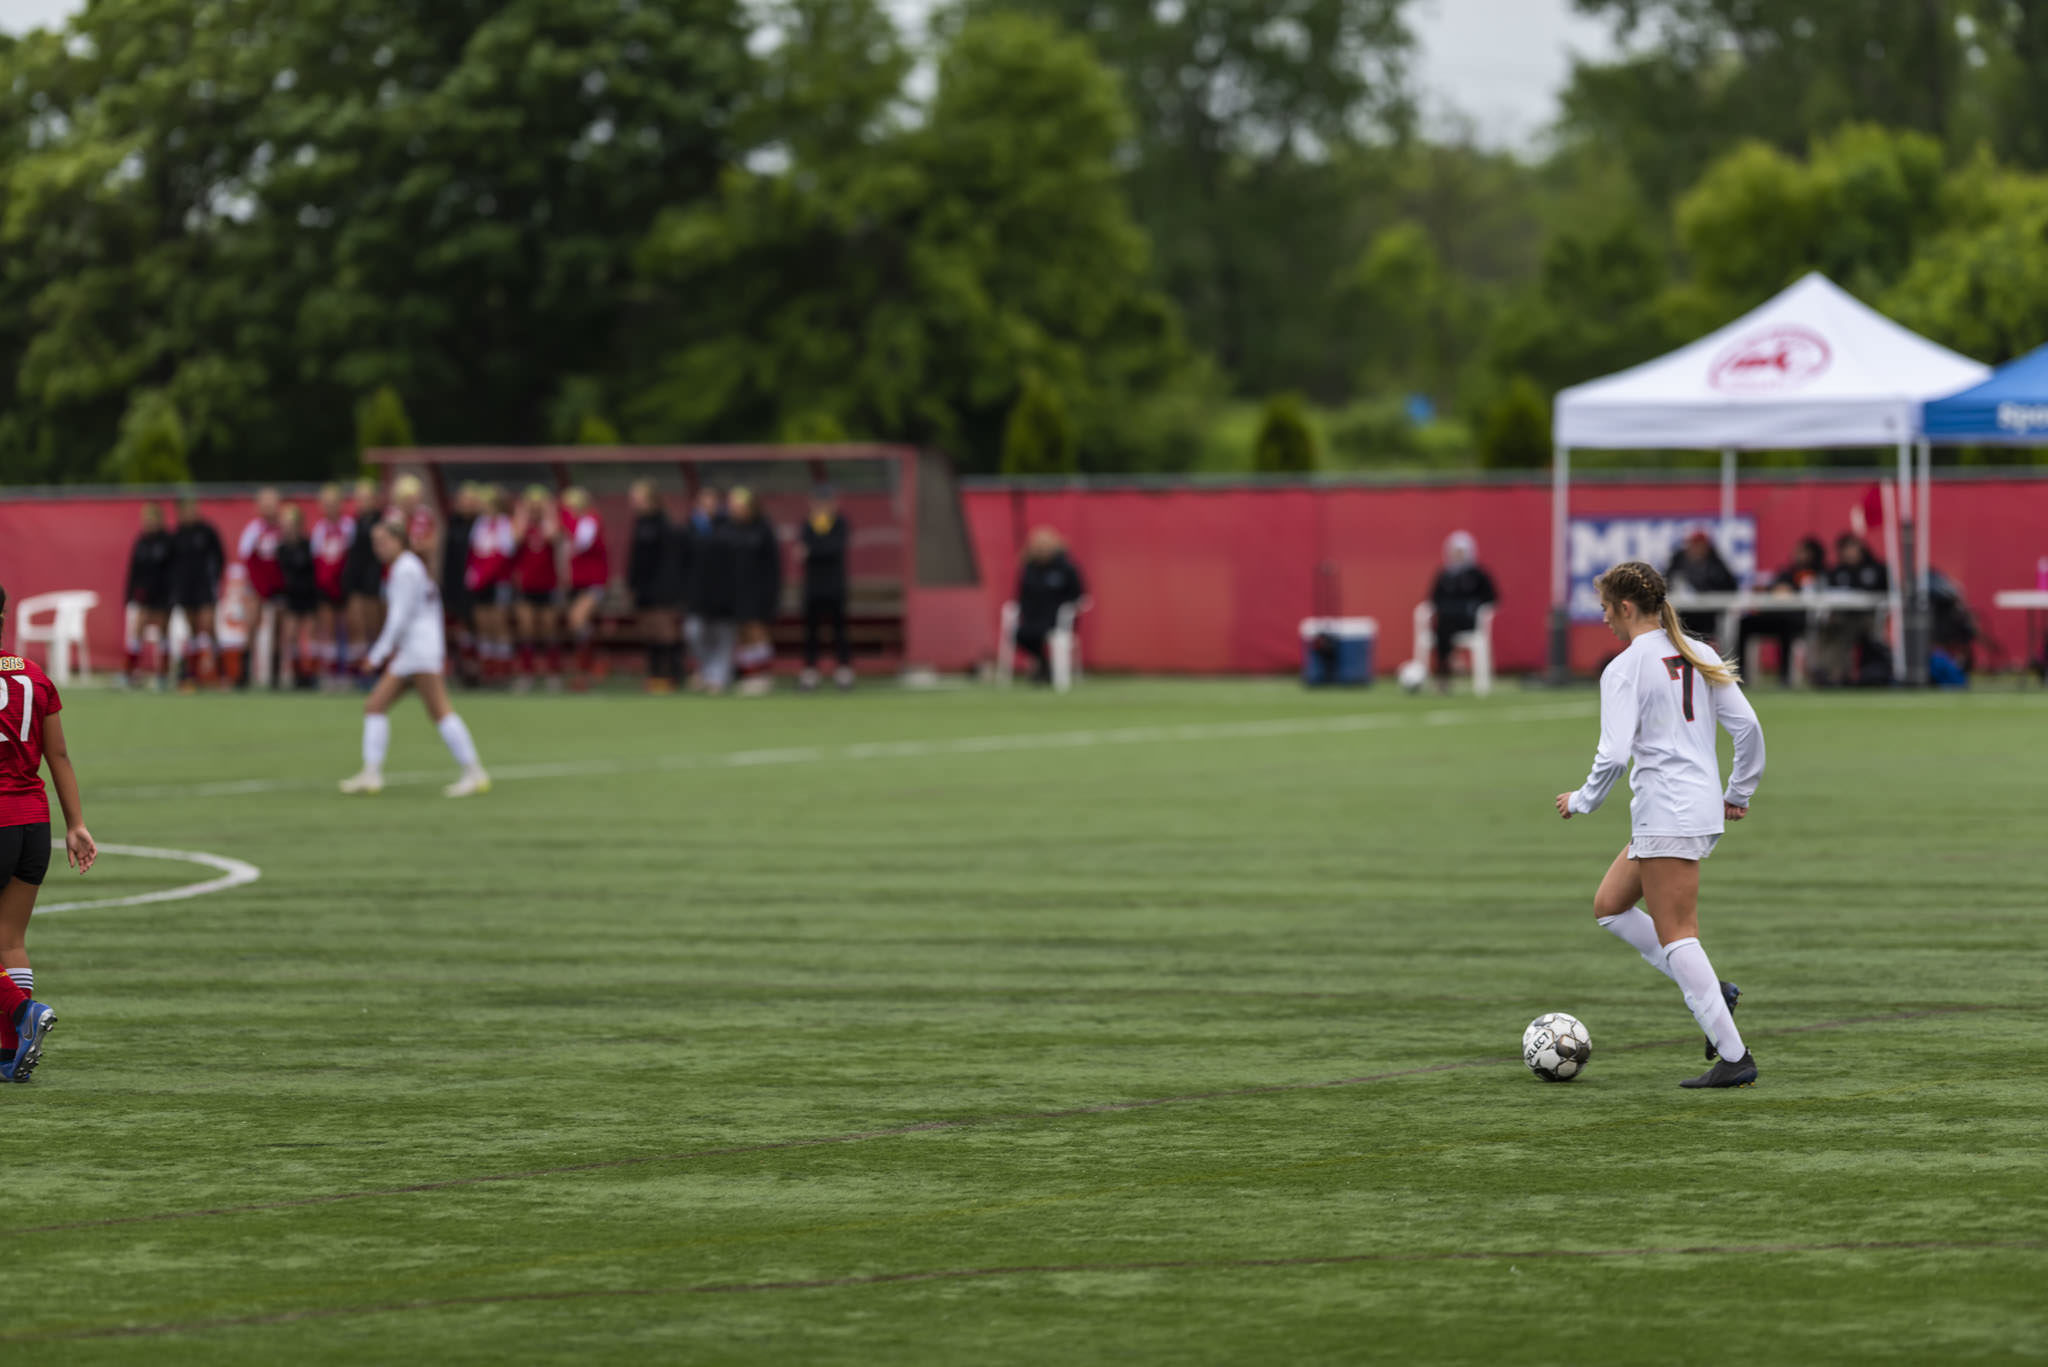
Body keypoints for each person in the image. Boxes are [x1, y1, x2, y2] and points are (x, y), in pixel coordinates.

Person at [1554, 560, 1765, 1089]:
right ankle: (1715, 990)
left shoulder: (1625, 667)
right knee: (1610, 907)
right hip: (1689, 808)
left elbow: (1614, 753)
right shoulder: (1699, 652)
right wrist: (1738, 791)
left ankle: (1735, 1058)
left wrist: (1582, 800)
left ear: (1626, 607)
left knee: (1677, 936)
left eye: (1605, 608)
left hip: (1665, 810)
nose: (1603, 617)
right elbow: (1749, 728)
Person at [0, 584, 97, 1082]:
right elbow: (57, 755)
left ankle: (23, 1014)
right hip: (34, 822)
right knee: (9, 941)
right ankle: (7, 1054)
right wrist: (75, 824)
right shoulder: (34, 676)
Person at [340, 522, 491, 798]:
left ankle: (474, 771)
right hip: (413, 651)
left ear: (400, 541)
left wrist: (377, 654)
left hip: (420, 651)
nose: (380, 547)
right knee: (375, 705)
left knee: (440, 711)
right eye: (376, 542)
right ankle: (371, 773)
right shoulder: (405, 568)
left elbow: (399, 618)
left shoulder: (406, 569)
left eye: (385, 541)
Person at [1735, 535, 1825, 686]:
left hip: (1799, 619)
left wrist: (1793, 591)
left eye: (1803, 552)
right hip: (1776, 615)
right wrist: (1776, 589)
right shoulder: (1787, 572)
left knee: (1787, 629)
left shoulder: (1820, 573)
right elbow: (1773, 588)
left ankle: (1785, 676)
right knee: (1745, 623)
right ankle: (1741, 672)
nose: (1799, 555)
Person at [626, 481, 684, 692]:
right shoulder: (640, 523)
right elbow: (636, 558)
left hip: (661, 588)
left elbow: (670, 560)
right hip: (643, 587)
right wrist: (632, 583)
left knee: (664, 630)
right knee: (649, 631)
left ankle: (672, 674)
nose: (633, 502)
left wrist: (667, 587)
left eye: (637, 498)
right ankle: (654, 673)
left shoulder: (664, 524)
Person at [1013, 528, 1087, 685]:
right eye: (1038, 546)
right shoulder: (1029, 568)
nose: (1042, 550)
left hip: (1057, 618)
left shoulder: (1066, 568)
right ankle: (1045, 664)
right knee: (1021, 634)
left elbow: (1078, 594)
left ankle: (1048, 668)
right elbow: (1021, 594)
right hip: (1033, 617)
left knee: (1048, 634)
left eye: (1045, 545)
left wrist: (1065, 608)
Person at [1426, 530, 1497, 694]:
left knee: (1444, 625)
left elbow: (1492, 597)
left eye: (1461, 552)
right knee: (1442, 625)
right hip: (1445, 621)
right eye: (1455, 552)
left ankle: (1450, 664)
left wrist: (1472, 607)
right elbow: (1434, 598)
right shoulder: (1444, 575)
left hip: (1468, 620)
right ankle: (1447, 667)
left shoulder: (1478, 574)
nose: (1458, 555)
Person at [728, 488, 783, 697]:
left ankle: (763, 675)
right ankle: (748, 675)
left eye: (739, 507)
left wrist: (772, 593)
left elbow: (773, 566)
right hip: (737, 591)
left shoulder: (763, 530)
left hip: (759, 591)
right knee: (743, 634)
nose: (736, 511)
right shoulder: (731, 529)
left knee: (756, 632)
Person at [167, 495, 226, 689]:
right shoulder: (177, 535)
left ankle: (220, 672)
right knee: (191, 629)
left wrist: (214, 577)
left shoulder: (207, 532)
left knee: (208, 626)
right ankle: (192, 675)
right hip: (185, 587)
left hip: (204, 586)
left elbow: (220, 557)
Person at [800, 486, 853, 692]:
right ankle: (810, 672)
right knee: (811, 630)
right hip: (813, 586)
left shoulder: (840, 523)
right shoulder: (808, 524)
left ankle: (844, 671)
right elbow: (804, 547)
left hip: (834, 585)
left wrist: (812, 551)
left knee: (839, 629)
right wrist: (814, 550)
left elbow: (833, 548)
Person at [510, 485, 563, 690]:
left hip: (548, 585)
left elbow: (554, 536)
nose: (535, 508)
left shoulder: (549, 526)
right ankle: (526, 673)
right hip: (525, 586)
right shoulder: (523, 527)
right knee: (526, 628)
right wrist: (521, 514)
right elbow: (514, 539)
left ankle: (552, 673)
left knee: (549, 629)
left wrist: (549, 511)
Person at [687, 488, 738, 694]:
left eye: (711, 501)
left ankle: (718, 678)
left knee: (723, 636)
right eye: (703, 501)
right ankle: (708, 672)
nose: (707, 505)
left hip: (724, 592)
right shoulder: (692, 527)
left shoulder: (729, 526)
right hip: (698, 592)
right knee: (694, 632)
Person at [1821, 532, 1889, 686]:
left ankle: (1868, 675)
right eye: (1846, 549)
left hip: (1868, 616)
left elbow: (1886, 592)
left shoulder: (1875, 569)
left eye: (1853, 548)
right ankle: (1834, 675)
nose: (1849, 553)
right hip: (1844, 616)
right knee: (1832, 630)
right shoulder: (1837, 571)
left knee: (1859, 631)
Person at [465, 486, 516, 684]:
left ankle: (503, 670)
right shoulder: (480, 524)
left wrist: (488, 573)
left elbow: (505, 552)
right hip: (480, 580)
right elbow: (475, 551)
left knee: (498, 622)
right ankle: (488, 669)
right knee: (482, 621)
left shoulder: (504, 524)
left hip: (497, 580)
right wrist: (475, 574)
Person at [560, 487, 611, 689]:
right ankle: (587, 667)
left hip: (593, 583)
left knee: (577, 619)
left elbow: (583, 542)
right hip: (577, 583)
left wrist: (565, 518)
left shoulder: (590, 519)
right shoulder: (577, 521)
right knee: (579, 624)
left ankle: (588, 667)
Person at [236, 487, 286, 687]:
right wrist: (256, 585)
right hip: (257, 585)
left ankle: (274, 675)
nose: (269, 508)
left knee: (279, 628)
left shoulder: (284, 528)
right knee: (251, 624)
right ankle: (244, 672)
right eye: (265, 504)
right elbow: (246, 557)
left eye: (272, 504)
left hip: (279, 586)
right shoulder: (254, 529)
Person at [122, 503, 174, 688]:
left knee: (163, 633)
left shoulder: (168, 542)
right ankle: (130, 672)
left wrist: (173, 595)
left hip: (163, 596)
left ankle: (163, 675)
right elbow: (134, 571)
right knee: (137, 630)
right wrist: (129, 595)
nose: (148, 523)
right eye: (145, 520)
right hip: (145, 595)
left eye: (151, 519)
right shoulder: (141, 542)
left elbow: (174, 570)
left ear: (159, 520)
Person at [310, 484, 355, 687]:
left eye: (333, 503)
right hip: (326, 586)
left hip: (345, 584)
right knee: (327, 627)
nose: (330, 508)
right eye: (326, 504)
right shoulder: (319, 529)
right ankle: (329, 672)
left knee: (347, 626)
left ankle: (347, 670)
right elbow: (316, 558)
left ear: (340, 505)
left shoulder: (348, 526)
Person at [342, 477, 388, 677]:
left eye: (366, 498)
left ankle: (378, 666)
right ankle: (360, 668)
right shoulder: (354, 523)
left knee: (374, 624)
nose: (361, 503)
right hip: (356, 578)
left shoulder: (382, 522)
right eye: (358, 499)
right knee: (356, 623)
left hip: (373, 578)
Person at [275, 505, 321, 689]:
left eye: (291, 524)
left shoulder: (309, 545)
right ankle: (295, 674)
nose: (287, 528)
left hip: (308, 595)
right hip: (290, 597)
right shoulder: (281, 549)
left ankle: (309, 674)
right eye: (285, 525)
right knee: (291, 635)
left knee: (309, 636)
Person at [1663, 530, 1738, 642]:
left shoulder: (1715, 561)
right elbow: (1666, 582)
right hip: (1683, 611)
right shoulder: (1678, 559)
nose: (1697, 549)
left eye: (1700, 545)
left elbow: (1731, 586)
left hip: (1708, 613)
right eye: (1694, 545)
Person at [442, 483, 481, 687]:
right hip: (456, 583)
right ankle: (465, 668)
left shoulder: (482, 524)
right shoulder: (453, 524)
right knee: (460, 626)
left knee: (479, 624)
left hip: (479, 585)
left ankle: (482, 668)